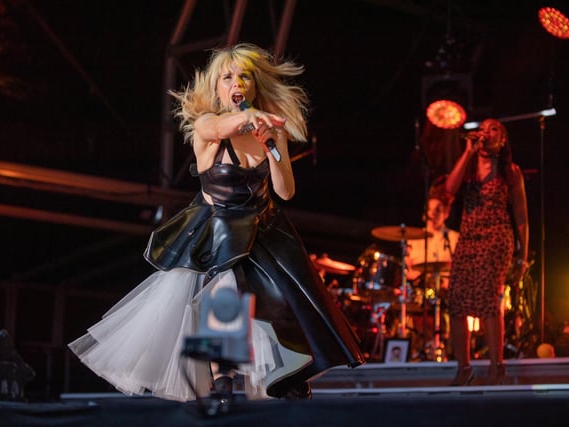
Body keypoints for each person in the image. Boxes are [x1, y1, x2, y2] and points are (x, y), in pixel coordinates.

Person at [68, 43, 365, 402]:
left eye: (244, 76)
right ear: (217, 88)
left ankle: (283, 376)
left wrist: (272, 147)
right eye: (227, 77)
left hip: (265, 230)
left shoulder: (272, 133)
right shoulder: (206, 126)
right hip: (218, 228)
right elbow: (225, 124)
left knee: (279, 308)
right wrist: (248, 118)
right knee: (223, 289)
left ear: (255, 85)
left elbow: (285, 191)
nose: (236, 82)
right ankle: (222, 376)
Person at [444, 118, 529, 385]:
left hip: (496, 240)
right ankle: (464, 368)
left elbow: (522, 216)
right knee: (457, 302)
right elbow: (449, 189)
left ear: (502, 140)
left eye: (495, 129)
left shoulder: (510, 172)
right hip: (468, 239)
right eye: (484, 128)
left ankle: (497, 368)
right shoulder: (468, 167)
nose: (487, 132)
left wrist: (524, 256)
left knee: (491, 303)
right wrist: (468, 151)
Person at [404, 176, 459, 358]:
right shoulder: (414, 238)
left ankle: (446, 346)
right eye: (431, 210)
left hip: (444, 295)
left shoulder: (454, 239)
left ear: (446, 213)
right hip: (420, 295)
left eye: (439, 210)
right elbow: (409, 273)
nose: (434, 214)